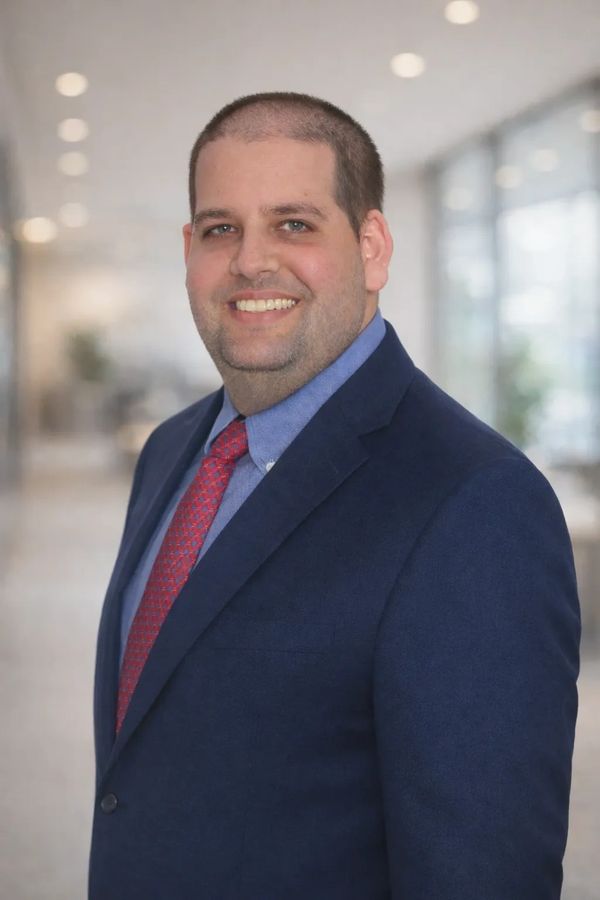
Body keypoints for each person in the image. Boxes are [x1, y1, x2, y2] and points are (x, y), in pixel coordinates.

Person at [88, 93, 580, 900]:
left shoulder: (476, 503)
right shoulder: (172, 450)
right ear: (190, 251)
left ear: (373, 246)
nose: (251, 261)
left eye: (294, 224)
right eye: (221, 229)